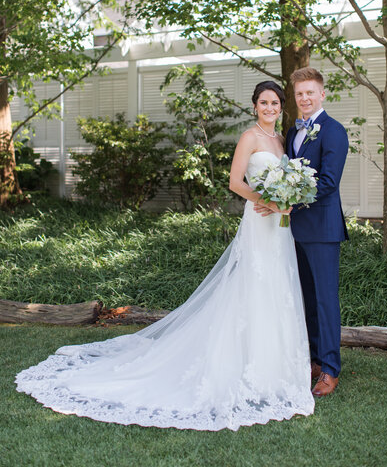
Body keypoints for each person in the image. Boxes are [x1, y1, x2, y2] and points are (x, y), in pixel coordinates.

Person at [15, 81, 314, 431]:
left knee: (276, 289)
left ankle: (274, 369)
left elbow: (289, 182)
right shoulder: (249, 138)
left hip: (279, 225)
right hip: (258, 221)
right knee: (253, 286)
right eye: (264, 102)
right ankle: (242, 365)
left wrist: (286, 202)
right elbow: (235, 183)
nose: (270, 108)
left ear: (281, 107)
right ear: (254, 107)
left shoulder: (282, 141)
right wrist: (265, 201)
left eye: (275, 102)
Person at [286, 67, 349, 397]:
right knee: (306, 299)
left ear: (322, 94)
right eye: (299, 94)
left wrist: (289, 201)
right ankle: (313, 359)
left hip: (322, 229)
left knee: (325, 301)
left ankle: (330, 369)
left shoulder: (334, 131)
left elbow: (328, 183)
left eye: (310, 92)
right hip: (294, 231)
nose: (305, 98)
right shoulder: (292, 134)